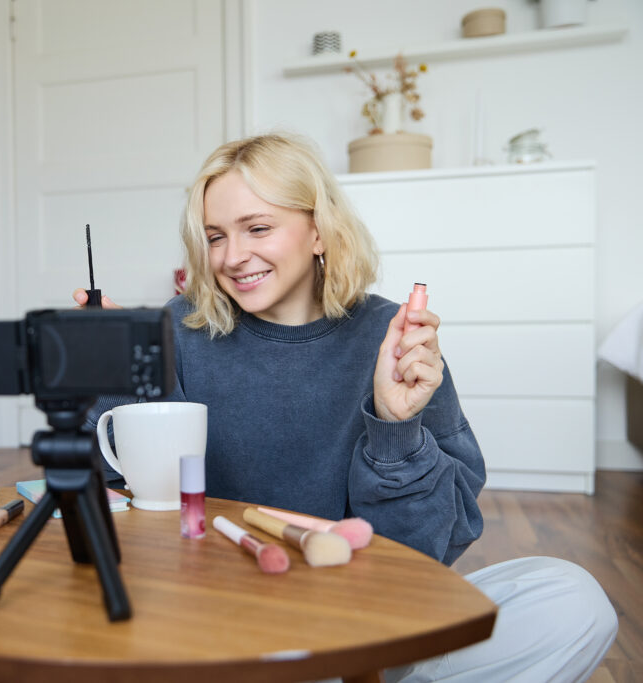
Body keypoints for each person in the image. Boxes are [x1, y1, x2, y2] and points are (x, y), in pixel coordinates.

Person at [74, 133, 617, 682]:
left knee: (572, 602)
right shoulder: (181, 329)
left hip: (363, 613)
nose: (233, 257)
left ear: (318, 230)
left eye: (258, 228)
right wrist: (117, 371)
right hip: (220, 617)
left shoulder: (394, 340)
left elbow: (423, 554)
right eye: (216, 237)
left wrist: (396, 428)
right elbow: (112, 500)